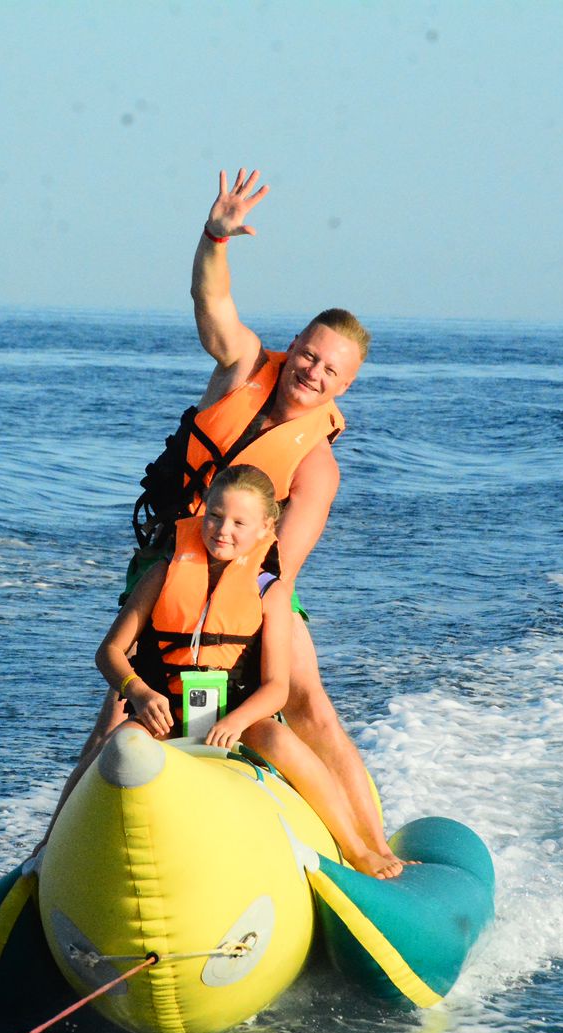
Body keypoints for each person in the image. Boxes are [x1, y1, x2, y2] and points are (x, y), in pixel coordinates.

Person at [72, 167, 401, 871]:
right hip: (171, 558)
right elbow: (210, 298)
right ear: (294, 348)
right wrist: (215, 236)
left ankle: (371, 846)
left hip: (254, 578)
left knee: (307, 702)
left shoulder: (316, 466)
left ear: (345, 386)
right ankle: (52, 857)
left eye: (331, 371)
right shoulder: (241, 364)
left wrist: (261, 618)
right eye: (309, 354)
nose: (312, 371)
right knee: (115, 710)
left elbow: (286, 568)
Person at [66, 466, 402, 878]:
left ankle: (356, 849)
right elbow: (110, 653)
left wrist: (238, 720)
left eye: (239, 522)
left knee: (277, 738)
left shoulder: (270, 592)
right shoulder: (162, 573)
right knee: (116, 746)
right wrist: (138, 692)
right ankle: (49, 848)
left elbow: (277, 687)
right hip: (166, 715)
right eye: (214, 516)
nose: (222, 530)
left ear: (265, 528)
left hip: (241, 721)